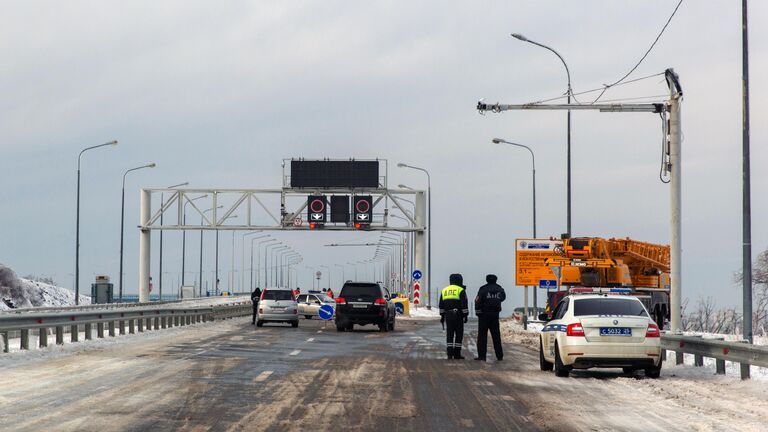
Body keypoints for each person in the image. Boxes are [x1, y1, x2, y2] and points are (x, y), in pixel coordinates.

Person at [474, 274, 506, 361]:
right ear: (496, 280)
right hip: (495, 315)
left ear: (487, 280)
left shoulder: (483, 289)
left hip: (484, 315)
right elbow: (503, 298)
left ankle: (482, 356)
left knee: (482, 336)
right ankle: (499, 356)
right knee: (496, 336)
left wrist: (478, 312)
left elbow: (477, 301)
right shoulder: (499, 289)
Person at [439, 273, 469, 360]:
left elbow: (441, 305)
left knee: (450, 334)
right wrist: (465, 315)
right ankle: (457, 354)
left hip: (448, 316)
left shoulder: (444, 290)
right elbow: (464, 304)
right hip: (458, 315)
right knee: (459, 334)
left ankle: (449, 354)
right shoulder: (461, 290)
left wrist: (442, 316)